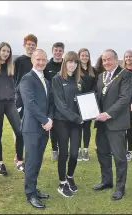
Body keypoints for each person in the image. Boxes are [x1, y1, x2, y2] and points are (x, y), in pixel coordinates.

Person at [93, 49, 132, 201]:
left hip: (115, 123)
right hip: (101, 123)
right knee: (102, 153)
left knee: (119, 157)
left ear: (116, 60)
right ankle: (106, 181)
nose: (106, 62)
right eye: (104, 60)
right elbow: (97, 97)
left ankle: (120, 187)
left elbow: (124, 98)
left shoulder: (125, 75)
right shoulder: (101, 76)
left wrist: (108, 114)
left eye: (109, 59)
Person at [19, 49, 54, 209]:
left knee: (38, 160)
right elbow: (30, 103)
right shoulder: (27, 79)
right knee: (32, 162)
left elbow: (50, 103)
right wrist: (44, 120)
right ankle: (30, 194)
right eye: (38, 59)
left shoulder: (46, 81)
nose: (41, 62)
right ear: (32, 60)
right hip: (32, 128)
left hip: (44, 127)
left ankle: (34, 188)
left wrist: (50, 119)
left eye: (44, 60)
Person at [0, 42, 23, 175]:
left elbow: (17, 83)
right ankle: (0, 164)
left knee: (19, 131)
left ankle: (19, 161)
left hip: (10, 104)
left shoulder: (11, 68)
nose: (6, 53)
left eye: (8, 51)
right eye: (4, 51)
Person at [52, 51, 84, 197]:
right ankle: (62, 183)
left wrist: (87, 114)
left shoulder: (79, 81)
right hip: (62, 122)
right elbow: (60, 104)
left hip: (76, 122)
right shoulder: (57, 79)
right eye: (70, 61)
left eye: (75, 62)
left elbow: (83, 101)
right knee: (63, 153)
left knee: (74, 153)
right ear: (65, 63)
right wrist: (76, 118)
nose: (72, 64)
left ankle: (70, 176)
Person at [12, 34, 38, 171]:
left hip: (33, 101)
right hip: (20, 100)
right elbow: (14, 80)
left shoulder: (37, 61)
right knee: (19, 129)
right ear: (24, 45)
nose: (31, 46)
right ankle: (18, 157)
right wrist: (18, 94)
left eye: (33, 44)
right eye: (29, 44)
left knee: (30, 129)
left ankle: (26, 156)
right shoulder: (18, 61)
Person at [44, 42, 65, 161]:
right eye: (56, 50)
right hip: (51, 100)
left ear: (63, 52)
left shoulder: (65, 65)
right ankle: (54, 150)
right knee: (52, 125)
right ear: (52, 51)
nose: (58, 52)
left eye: (60, 51)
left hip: (63, 100)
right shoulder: (47, 66)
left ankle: (62, 148)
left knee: (63, 125)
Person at [77, 48, 97, 161]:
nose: (85, 57)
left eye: (86, 56)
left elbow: (96, 85)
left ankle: (85, 150)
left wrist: (91, 95)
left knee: (87, 127)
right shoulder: (76, 70)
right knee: (79, 126)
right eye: (83, 55)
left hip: (90, 102)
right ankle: (78, 150)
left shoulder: (93, 70)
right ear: (79, 57)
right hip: (79, 102)